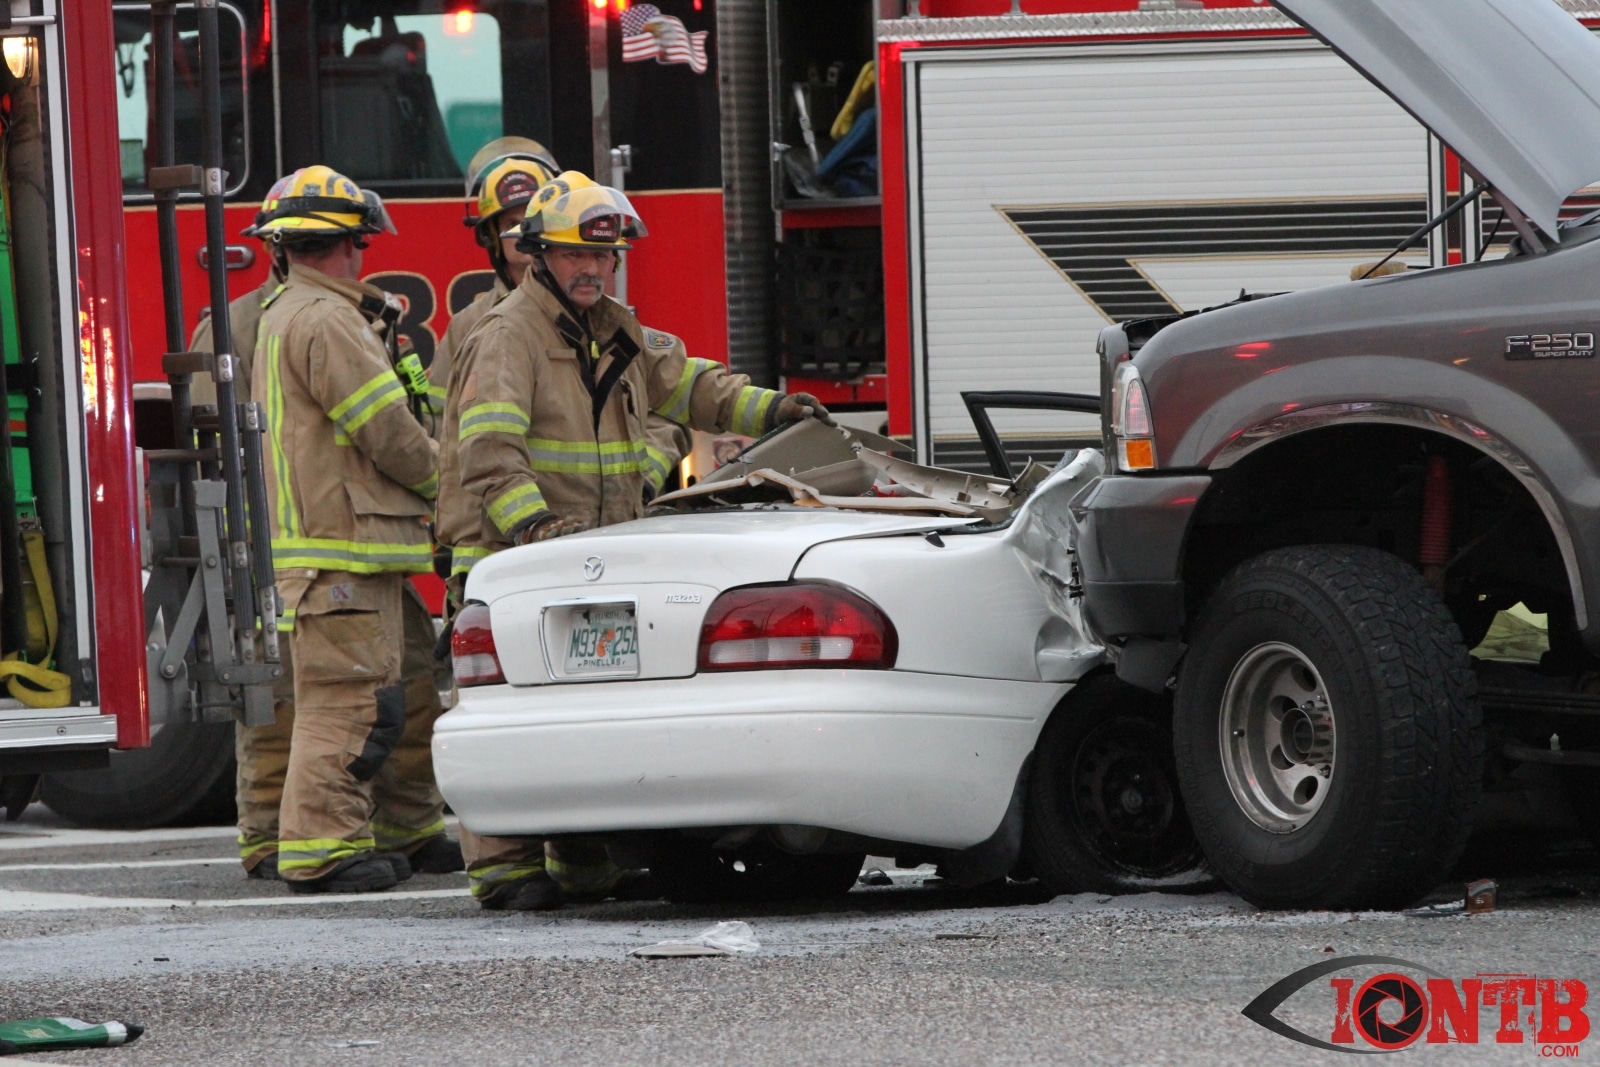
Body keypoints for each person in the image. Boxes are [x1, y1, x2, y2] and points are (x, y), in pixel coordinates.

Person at [435, 170, 831, 910]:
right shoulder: (507, 336)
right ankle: (505, 867)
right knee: (511, 707)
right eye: (576, 255)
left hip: (591, 555)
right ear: (539, 256)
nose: (592, 269)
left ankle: (586, 860)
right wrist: (534, 531)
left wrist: (776, 410)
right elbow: (487, 453)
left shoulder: (615, 330)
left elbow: (695, 387)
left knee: (585, 711)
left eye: (604, 256)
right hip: (513, 558)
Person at [190, 178, 464, 882]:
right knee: (341, 702)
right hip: (333, 549)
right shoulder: (325, 320)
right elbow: (388, 432)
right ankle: (316, 846)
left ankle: (400, 827)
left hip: (356, 546)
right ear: (352, 242)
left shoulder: (294, 313)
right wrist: (455, 489)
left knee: (394, 691)